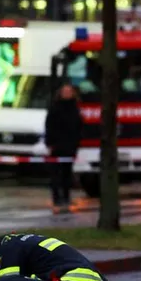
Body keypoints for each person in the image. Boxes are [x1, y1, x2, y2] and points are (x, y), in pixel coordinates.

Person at [44, 84, 83, 214]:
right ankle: (56, 198)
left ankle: (66, 197)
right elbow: (49, 127)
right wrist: (50, 144)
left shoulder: (75, 109)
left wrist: (76, 146)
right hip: (56, 146)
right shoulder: (54, 108)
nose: (67, 94)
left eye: (69, 91)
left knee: (67, 174)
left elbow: (78, 128)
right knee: (55, 175)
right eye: (65, 91)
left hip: (69, 147)